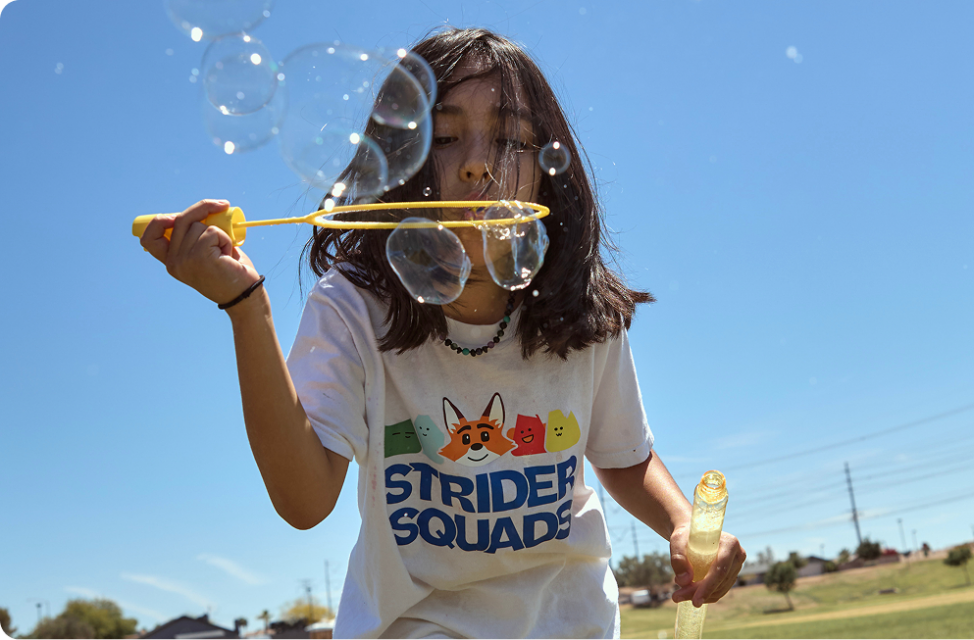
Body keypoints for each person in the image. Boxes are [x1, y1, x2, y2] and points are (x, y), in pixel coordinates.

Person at [141, 27, 746, 640]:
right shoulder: (354, 305)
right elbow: (304, 501)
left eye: (510, 140)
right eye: (445, 138)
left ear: (546, 173)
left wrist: (683, 522)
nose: (477, 164)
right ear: (400, 164)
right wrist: (247, 307)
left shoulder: (580, 309)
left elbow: (624, 456)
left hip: (572, 623)